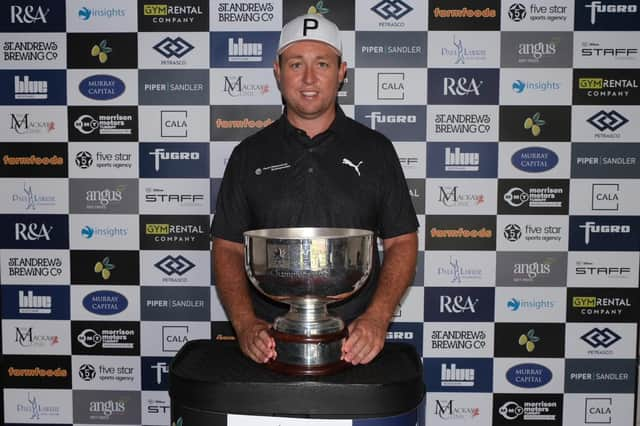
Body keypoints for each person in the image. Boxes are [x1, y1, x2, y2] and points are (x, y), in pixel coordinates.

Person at [211, 13, 418, 366]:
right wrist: (246, 325)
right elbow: (228, 248)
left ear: (341, 72)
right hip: (271, 346)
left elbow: (401, 242)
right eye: (296, 64)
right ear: (278, 71)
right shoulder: (249, 154)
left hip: (357, 345)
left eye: (322, 63)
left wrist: (377, 318)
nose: (309, 78)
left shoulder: (376, 150)